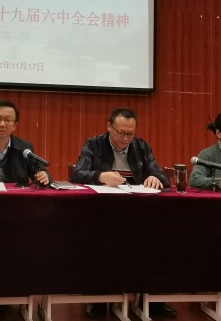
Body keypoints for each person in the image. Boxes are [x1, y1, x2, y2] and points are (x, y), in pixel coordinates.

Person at [72, 108, 176, 319]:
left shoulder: (141, 146)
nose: (126, 139)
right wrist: (100, 176)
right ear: (109, 127)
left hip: (137, 213)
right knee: (102, 242)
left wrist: (155, 177)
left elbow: (162, 175)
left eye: (130, 134)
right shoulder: (94, 145)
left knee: (158, 240)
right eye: (121, 133)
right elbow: (78, 174)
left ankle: (151, 299)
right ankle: (99, 299)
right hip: (102, 212)